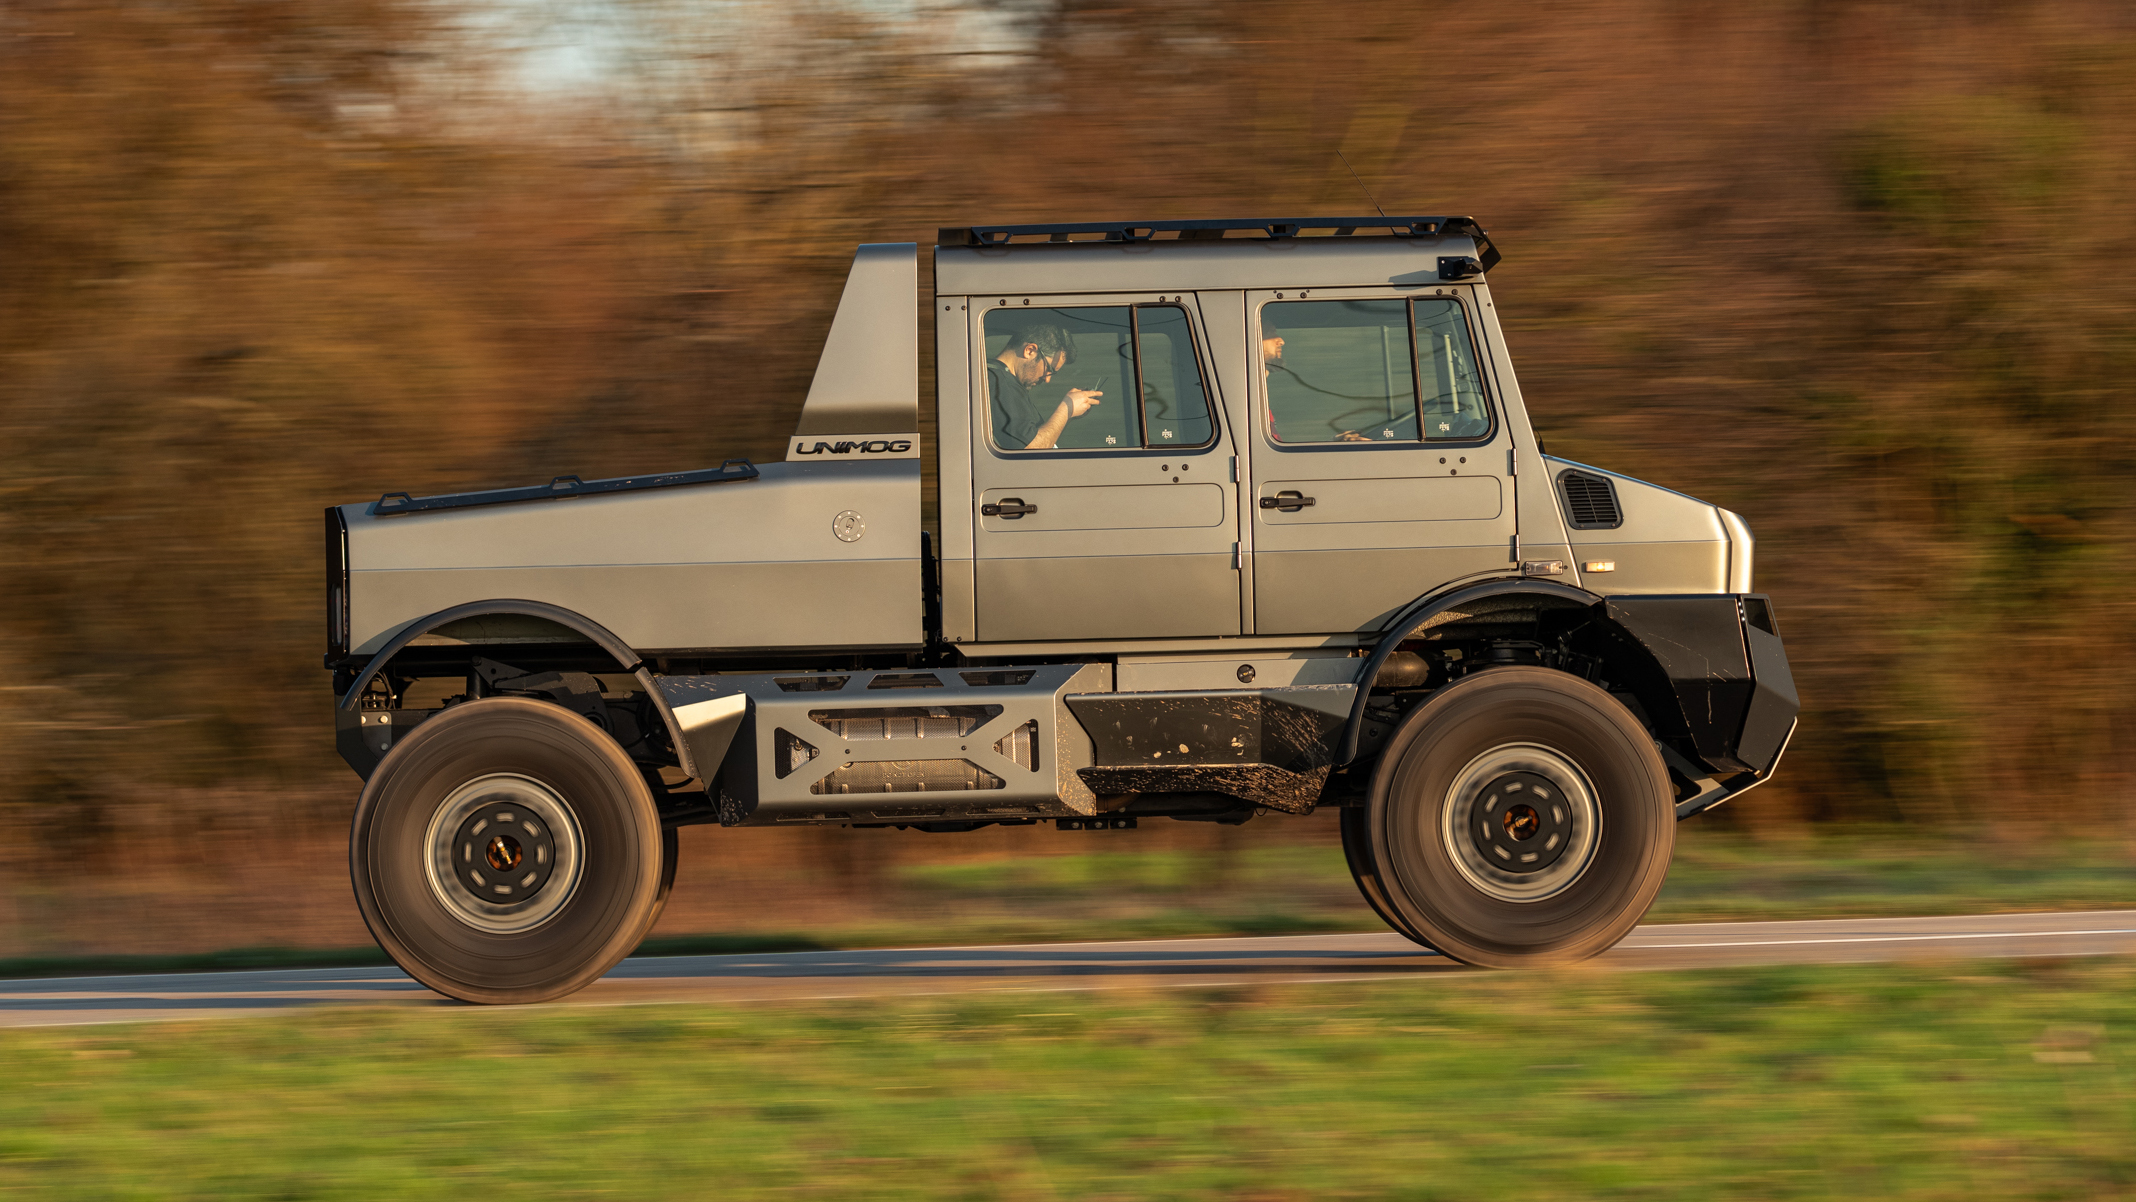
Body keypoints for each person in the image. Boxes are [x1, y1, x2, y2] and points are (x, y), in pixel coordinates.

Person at [989, 323, 1102, 449]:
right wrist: (1066, 409)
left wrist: (1068, 416)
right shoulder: (1001, 384)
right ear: (1030, 350)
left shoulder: (1002, 381)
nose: (1047, 379)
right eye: (1049, 369)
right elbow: (1030, 450)